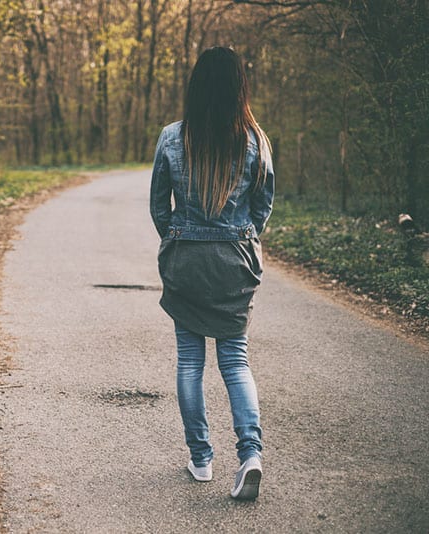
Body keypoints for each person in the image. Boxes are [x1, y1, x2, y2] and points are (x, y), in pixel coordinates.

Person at [149, 46, 274, 501]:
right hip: (234, 262)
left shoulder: (171, 137)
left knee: (189, 361)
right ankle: (250, 455)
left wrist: (179, 236)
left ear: (196, 85)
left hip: (186, 259)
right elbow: (263, 206)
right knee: (235, 361)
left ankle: (201, 460)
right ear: (239, 86)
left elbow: (158, 206)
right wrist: (238, 238)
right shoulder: (256, 139)